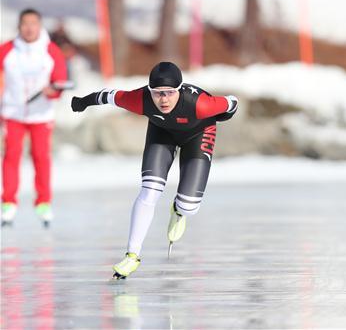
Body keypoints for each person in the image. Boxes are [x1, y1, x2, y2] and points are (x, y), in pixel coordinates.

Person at [70, 61, 238, 279]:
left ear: (179, 90)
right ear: (150, 91)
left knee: (189, 206)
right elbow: (108, 96)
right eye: (157, 93)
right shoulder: (140, 99)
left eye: (169, 93)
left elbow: (232, 102)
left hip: (198, 133)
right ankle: (132, 256)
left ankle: (179, 210)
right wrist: (83, 102)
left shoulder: (201, 104)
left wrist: (223, 114)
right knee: (149, 190)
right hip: (162, 133)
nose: (163, 99)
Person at [1, 8, 69, 227]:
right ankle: (8, 202)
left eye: (33, 24)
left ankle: (43, 202)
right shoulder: (7, 50)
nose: (29, 28)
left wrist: (53, 91)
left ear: (39, 26)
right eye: (25, 24)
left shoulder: (51, 50)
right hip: (13, 112)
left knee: (41, 156)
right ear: (19, 26)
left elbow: (60, 80)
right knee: (11, 155)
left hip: (41, 114)